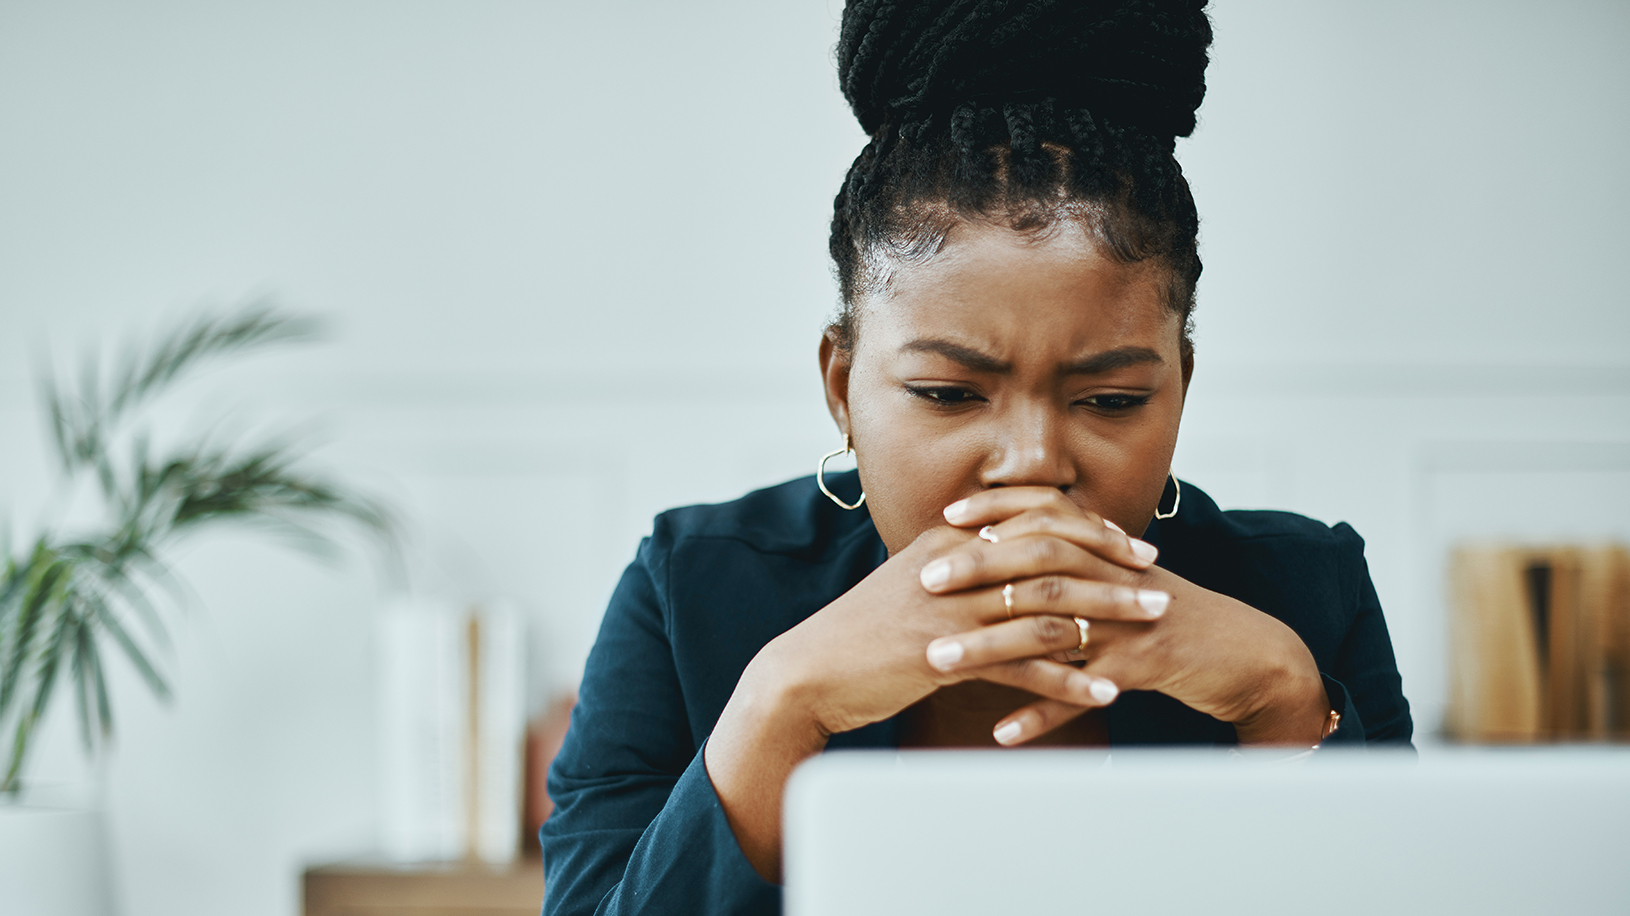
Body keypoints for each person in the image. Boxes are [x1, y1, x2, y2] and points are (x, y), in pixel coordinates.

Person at [541, 2, 1412, 913]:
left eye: (1111, 401)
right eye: (950, 395)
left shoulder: (1309, 597)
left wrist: (1283, 701)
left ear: (1180, 388)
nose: (1032, 465)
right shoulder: (691, 593)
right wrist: (779, 706)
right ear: (842, 386)